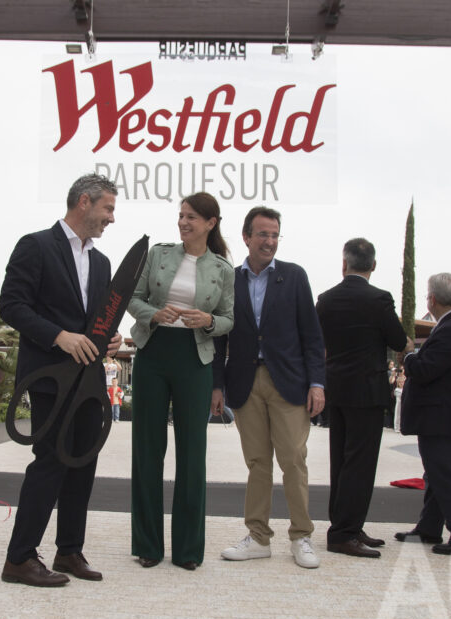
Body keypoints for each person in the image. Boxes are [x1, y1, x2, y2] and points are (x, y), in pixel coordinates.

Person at [0, 173, 122, 587]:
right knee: (50, 462)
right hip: (50, 377)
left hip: (88, 382)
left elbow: (96, 322)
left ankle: (69, 551)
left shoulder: (102, 262)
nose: (111, 218)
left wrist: (109, 338)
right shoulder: (35, 246)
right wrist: (59, 336)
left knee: (83, 464)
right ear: (84, 202)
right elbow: (12, 306)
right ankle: (19, 558)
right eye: (108, 208)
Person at [212, 206, 326, 569]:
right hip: (245, 382)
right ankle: (258, 537)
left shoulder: (294, 277)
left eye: (275, 235)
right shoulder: (229, 279)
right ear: (246, 237)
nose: (270, 241)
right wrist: (216, 386)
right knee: (257, 462)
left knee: (293, 459)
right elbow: (218, 339)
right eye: (263, 234)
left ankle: (302, 536)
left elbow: (312, 334)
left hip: (289, 382)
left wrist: (318, 383)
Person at [127, 192, 235, 570]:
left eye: (192, 217)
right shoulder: (158, 254)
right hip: (153, 354)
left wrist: (208, 322)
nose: (184, 222)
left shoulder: (223, 269)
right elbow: (132, 299)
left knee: (192, 456)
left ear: (211, 223)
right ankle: (147, 545)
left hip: (195, 359)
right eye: (181, 215)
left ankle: (188, 550)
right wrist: (155, 315)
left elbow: (228, 319)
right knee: (147, 450)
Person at [316, 238, 411, 559]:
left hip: (336, 388)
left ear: (344, 264)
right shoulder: (379, 299)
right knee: (361, 463)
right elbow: (398, 340)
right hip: (367, 391)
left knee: (340, 461)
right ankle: (344, 532)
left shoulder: (325, 300)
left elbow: (319, 342)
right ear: (373, 266)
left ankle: (346, 526)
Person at [396, 274, 451, 555]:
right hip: (447, 416)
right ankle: (429, 527)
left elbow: (424, 369)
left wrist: (410, 354)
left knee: (448, 475)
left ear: (432, 299)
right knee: (437, 474)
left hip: (444, 418)